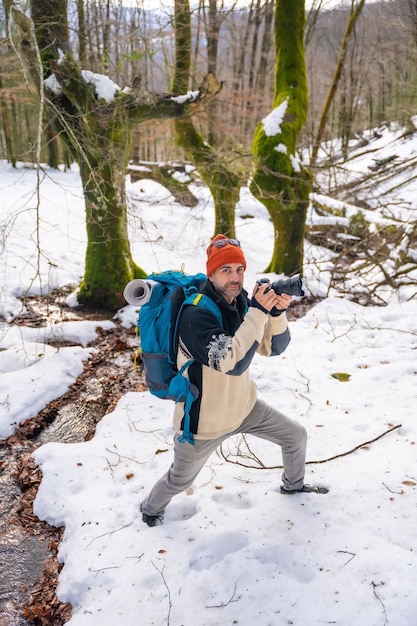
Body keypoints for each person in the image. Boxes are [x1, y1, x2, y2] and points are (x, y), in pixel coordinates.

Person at [140, 234, 327, 526]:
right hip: (204, 424)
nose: (235, 277)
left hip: (243, 408)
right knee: (178, 480)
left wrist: (275, 313)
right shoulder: (195, 315)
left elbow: (272, 347)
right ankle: (150, 509)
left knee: (295, 437)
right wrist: (258, 311)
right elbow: (232, 362)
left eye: (239, 269)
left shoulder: (239, 301)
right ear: (211, 273)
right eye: (226, 270)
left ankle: (294, 488)